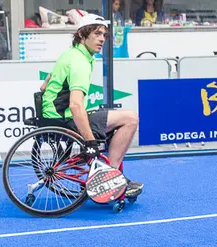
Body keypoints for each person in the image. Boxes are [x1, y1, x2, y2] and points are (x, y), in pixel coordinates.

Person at [39, 14, 142, 198]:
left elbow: (44, 85)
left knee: (115, 117)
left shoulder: (71, 54)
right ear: (81, 34)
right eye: (97, 34)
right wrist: (90, 141)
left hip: (54, 116)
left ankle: (108, 174)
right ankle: (110, 179)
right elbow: (75, 105)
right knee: (130, 119)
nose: (102, 39)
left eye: (104, 35)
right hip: (65, 119)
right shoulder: (79, 62)